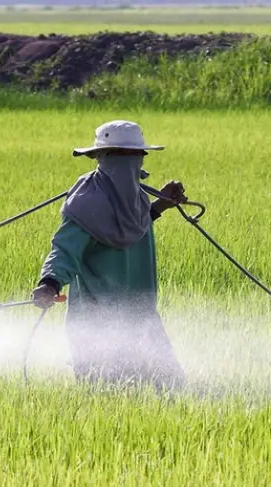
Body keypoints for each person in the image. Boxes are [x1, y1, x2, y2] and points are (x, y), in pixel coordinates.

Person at [31, 120, 188, 389]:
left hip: (142, 318)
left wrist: (160, 205)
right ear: (102, 158)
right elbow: (65, 249)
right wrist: (50, 283)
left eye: (135, 156)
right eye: (122, 156)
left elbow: (130, 228)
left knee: (172, 390)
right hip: (97, 323)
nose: (131, 162)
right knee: (108, 394)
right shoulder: (87, 202)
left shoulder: (136, 200)